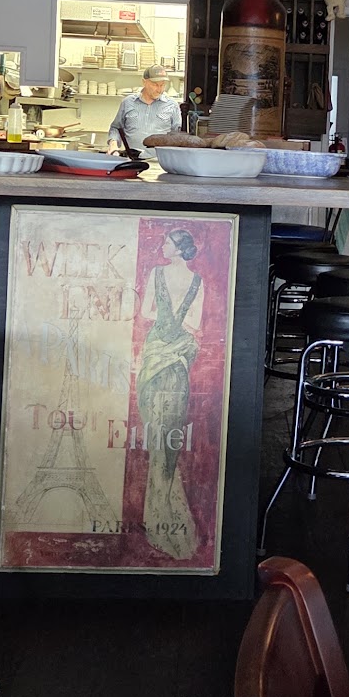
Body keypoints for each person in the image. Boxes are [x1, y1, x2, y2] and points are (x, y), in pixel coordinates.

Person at [136, 227, 203, 559]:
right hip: (177, 357)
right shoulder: (195, 282)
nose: (162, 246)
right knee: (166, 431)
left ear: (179, 248)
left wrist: (165, 318)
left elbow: (146, 313)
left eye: (167, 243)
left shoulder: (159, 275)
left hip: (159, 355)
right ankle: (162, 513)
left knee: (161, 432)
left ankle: (160, 514)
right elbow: (194, 324)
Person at [104, 63, 182, 156]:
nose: (159, 89)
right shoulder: (128, 102)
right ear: (144, 82)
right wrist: (113, 144)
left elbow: (178, 136)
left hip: (160, 161)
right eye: (155, 85)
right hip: (132, 160)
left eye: (162, 85)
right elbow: (116, 127)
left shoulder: (172, 105)